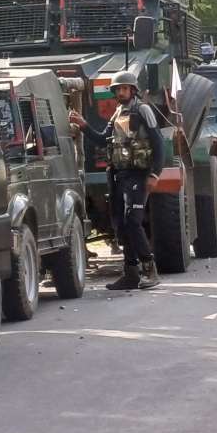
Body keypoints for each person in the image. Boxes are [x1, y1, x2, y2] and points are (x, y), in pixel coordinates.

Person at [68, 70, 165, 291]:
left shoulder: (143, 110)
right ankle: (131, 274)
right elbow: (103, 140)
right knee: (121, 225)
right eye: (118, 89)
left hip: (138, 174)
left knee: (133, 220)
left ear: (132, 90)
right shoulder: (118, 112)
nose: (121, 92)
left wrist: (154, 174)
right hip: (119, 175)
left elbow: (158, 143)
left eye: (125, 88)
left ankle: (150, 270)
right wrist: (83, 125)